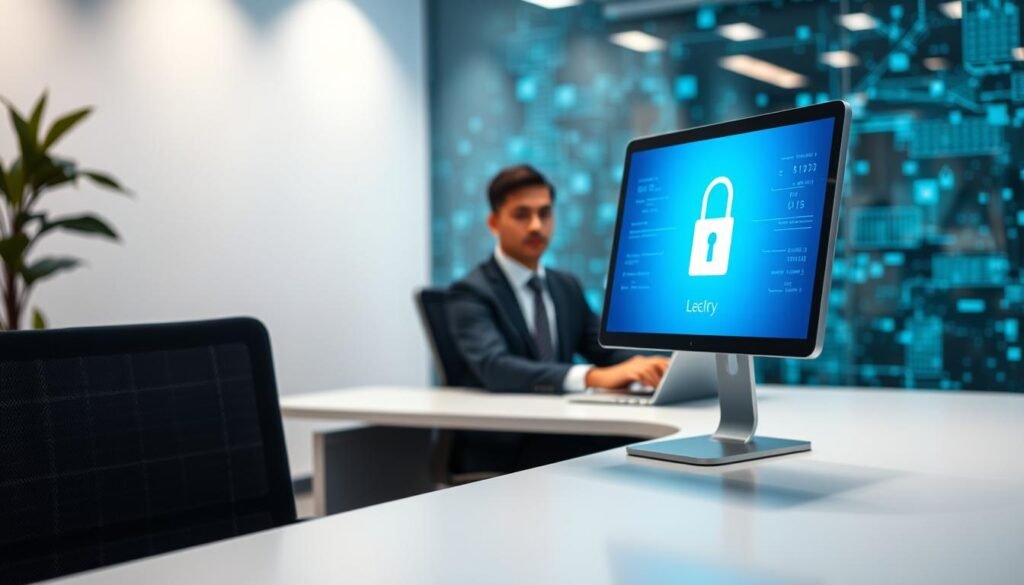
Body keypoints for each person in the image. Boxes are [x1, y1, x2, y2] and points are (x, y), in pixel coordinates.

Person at [445, 164, 670, 472]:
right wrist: (591, 377)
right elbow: (495, 368)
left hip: (563, 433)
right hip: (506, 446)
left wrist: (653, 366)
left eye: (545, 213)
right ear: (494, 223)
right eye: (522, 215)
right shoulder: (470, 292)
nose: (536, 226)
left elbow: (604, 349)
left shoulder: (565, 286)